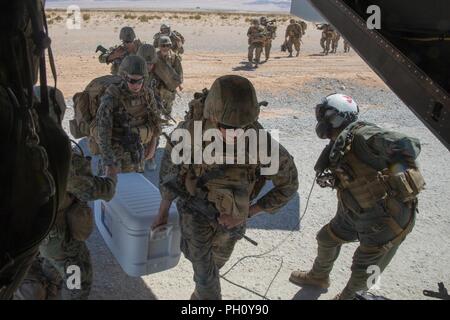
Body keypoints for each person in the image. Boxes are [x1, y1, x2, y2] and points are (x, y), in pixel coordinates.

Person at [153, 75, 299, 300]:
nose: (233, 134)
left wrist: (247, 214)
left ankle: (200, 293)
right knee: (204, 275)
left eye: (240, 128)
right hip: (194, 212)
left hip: (232, 218)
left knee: (215, 266)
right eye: (226, 127)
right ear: (212, 116)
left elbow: (288, 185)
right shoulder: (191, 132)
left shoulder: (261, 142)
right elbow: (169, 173)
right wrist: (162, 212)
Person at [290, 93, 425, 300]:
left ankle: (350, 298)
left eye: (323, 115)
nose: (319, 120)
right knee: (326, 238)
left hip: (385, 219)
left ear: (336, 118)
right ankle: (318, 277)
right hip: (355, 211)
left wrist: (396, 174)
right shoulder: (343, 140)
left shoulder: (363, 135)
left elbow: (408, 144)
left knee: (364, 268)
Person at [15, 87, 117, 300]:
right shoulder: (58, 156)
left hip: (27, 233)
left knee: (45, 272)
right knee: (79, 282)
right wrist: (111, 175)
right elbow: (99, 191)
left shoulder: (17, 149)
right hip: (57, 240)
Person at [95, 55, 162, 175]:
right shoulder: (111, 98)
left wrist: (152, 147)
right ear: (124, 77)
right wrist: (109, 163)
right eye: (132, 81)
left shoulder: (147, 95)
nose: (136, 85)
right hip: (115, 153)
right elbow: (103, 134)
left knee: (136, 186)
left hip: (136, 152)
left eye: (139, 81)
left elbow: (155, 122)